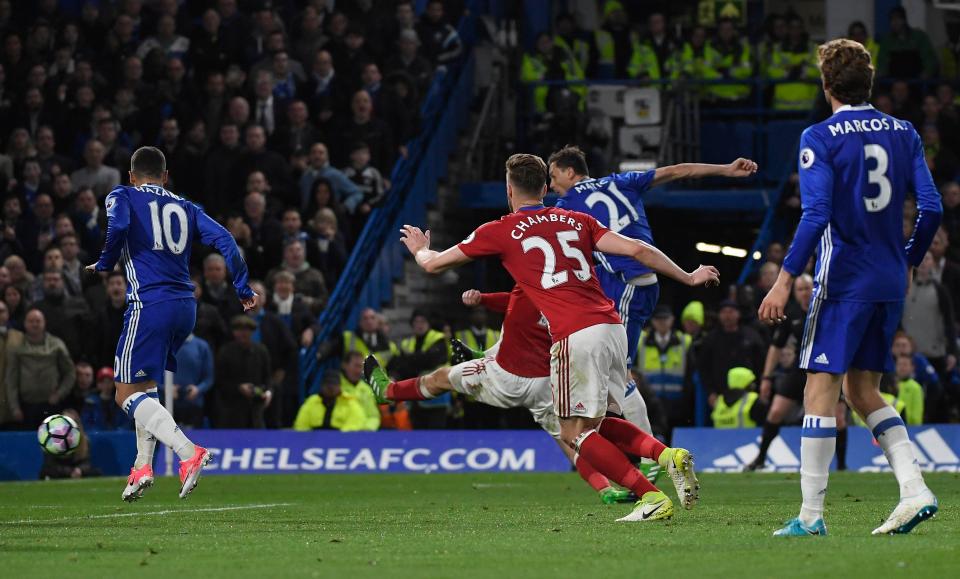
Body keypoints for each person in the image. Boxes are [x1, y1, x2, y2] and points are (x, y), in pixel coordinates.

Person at [394, 153, 719, 522]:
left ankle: (651, 498)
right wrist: (689, 277)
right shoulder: (578, 220)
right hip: (612, 328)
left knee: (573, 434)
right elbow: (638, 249)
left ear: (509, 189)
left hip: (576, 335)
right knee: (601, 423)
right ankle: (665, 455)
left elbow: (433, 265)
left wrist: (420, 247)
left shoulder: (500, 230)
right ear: (546, 189)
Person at [758, 39, 941, 536]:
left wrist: (783, 280)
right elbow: (933, 208)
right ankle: (914, 489)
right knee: (864, 391)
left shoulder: (819, 136)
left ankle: (811, 517)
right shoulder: (903, 132)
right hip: (887, 279)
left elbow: (816, 213)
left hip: (843, 280)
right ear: (871, 82)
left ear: (825, 86)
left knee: (820, 391)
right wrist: (908, 260)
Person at [548, 145, 757, 446]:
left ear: (570, 172)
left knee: (616, 374)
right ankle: (629, 449)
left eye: (554, 177)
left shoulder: (567, 205)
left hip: (628, 285)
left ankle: (652, 454)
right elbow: (677, 170)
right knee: (610, 373)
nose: (553, 185)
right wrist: (725, 168)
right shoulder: (622, 181)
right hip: (635, 283)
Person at [87, 146, 255, 502]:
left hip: (150, 303)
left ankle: (187, 452)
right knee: (144, 386)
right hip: (185, 306)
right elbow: (225, 239)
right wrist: (241, 287)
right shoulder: (186, 205)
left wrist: (104, 264)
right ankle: (142, 467)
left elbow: (117, 227)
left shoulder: (122, 194)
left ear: (131, 176)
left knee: (123, 392)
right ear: (165, 176)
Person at [367, 286, 638, 504]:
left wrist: (483, 301)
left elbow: (515, 306)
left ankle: (389, 391)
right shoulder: (564, 298)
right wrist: (484, 302)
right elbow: (516, 306)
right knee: (571, 441)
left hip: (509, 376)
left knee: (440, 378)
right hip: (547, 385)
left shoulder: (535, 285)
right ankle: (607, 489)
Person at [747, 274, 849, 472]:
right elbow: (776, 347)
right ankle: (760, 458)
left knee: (839, 417)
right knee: (776, 411)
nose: (805, 292)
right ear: (795, 293)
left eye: (808, 288)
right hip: (800, 367)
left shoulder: (828, 309)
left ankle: (842, 465)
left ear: (815, 288)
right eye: (800, 289)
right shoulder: (790, 312)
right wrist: (766, 377)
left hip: (827, 367)